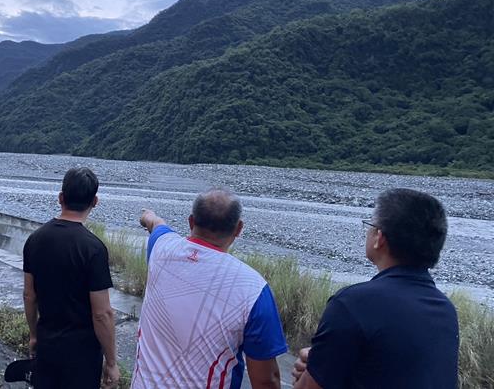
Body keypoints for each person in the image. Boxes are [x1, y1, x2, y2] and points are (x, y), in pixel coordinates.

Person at [292, 188, 459, 389]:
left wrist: (312, 368)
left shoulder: (353, 303)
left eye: (370, 226)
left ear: (379, 238)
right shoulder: (446, 310)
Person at [132, 189, 287, 389]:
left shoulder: (161, 248)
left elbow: (156, 224)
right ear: (238, 229)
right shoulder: (253, 289)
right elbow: (266, 381)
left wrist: (147, 215)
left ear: (191, 222)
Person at [23, 167, 120, 389]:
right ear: (95, 201)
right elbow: (102, 313)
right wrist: (112, 362)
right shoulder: (93, 249)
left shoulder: (35, 239)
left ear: (61, 198)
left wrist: (34, 334)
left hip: (47, 345)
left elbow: (29, 295)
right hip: (82, 355)